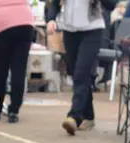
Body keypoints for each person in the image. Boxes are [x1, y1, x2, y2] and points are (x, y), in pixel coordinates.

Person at [46, 0, 116, 135]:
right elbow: (54, 3)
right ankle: (89, 116)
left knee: (81, 73)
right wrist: (51, 19)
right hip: (69, 30)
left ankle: (74, 116)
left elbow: (111, 5)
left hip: (92, 30)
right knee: (76, 73)